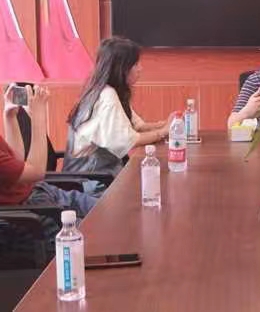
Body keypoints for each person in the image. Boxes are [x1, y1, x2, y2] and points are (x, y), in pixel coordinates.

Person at [1, 84, 97, 251]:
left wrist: (9, 116)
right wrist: (38, 116)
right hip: (30, 213)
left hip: (39, 193)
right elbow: (36, 172)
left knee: (110, 210)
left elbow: (17, 162)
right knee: (103, 234)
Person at [64, 37, 174, 178]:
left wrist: (165, 124)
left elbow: (138, 126)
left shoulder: (107, 90)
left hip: (101, 172)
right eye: (135, 64)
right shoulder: (107, 95)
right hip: (89, 179)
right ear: (121, 68)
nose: (140, 69)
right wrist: (163, 131)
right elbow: (129, 141)